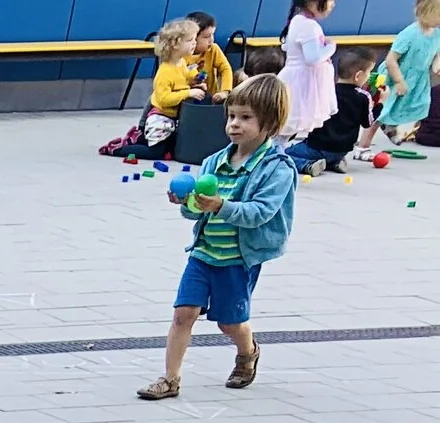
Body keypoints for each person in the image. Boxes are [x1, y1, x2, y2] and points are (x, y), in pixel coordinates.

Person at [140, 75, 295, 400]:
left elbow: (259, 213)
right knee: (184, 314)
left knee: (229, 323)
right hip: (203, 253)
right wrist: (188, 203)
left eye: (245, 118)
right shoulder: (214, 162)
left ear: (270, 121)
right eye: (232, 116)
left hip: (237, 260)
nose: (234, 125)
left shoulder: (277, 168)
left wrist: (221, 205)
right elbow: (197, 212)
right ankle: (170, 378)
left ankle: (247, 351)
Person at [295, 48, 378, 171]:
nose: (369, 77)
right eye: (369, 72)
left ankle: (307, 165)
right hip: (342, 150)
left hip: (317, 147)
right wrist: (380, 103)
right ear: (358, 75)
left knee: (283, 155)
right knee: (325, 155)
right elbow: (368, 123)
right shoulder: (363, 97)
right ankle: (334, 163)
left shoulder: (326, 91)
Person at [145, 20, 208, 151]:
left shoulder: (181, 63)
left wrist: (196, 80)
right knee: (156, 151)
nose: (194, 43)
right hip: (160, 118)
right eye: (190, 40)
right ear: (175, 44)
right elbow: (164, 99)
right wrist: (188, 93)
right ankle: (117, 149)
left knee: (172, 148)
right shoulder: (165, 71)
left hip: (174, 118)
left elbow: (184, 79)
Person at [382, 0, 440, 142]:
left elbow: (437, 52)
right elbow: (391, 60)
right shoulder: (410, 33)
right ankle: (364, 145)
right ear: (426, 13)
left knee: (419, 105)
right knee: (387, 109)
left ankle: (395, 127)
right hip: (399, 75)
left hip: (418, 78)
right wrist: (399, 81)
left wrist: (436, 65)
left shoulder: (436, 33)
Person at [283, 0, 338, 141]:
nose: (332, 5)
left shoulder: (300, 21)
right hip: (301, 85)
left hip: (300, 81)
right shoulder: (308, 26)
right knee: (286, 128)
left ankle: (277, 155)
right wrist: (331, 48)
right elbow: (312, 58)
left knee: (286, 130)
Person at [189, 13, 236, 96]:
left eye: (212, 34)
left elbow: (225, 68)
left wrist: (225, 91)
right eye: (207, 36)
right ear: (192, 38)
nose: (212, 40)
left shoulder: (213, 49)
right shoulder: (180, 54)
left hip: (211, 98)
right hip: (186, 100)